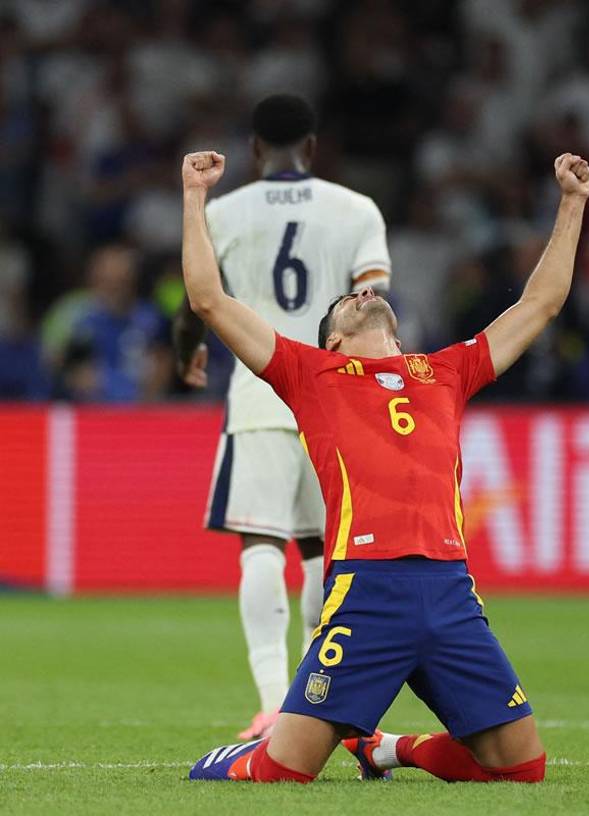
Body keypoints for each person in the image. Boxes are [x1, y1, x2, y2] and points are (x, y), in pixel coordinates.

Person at [182, 148, 589, 783]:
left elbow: (540, 304)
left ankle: (387, 748)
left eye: (365, 290)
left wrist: (571, 203)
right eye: (346, 300)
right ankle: (226, 761)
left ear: (398, 335)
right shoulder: (311, 374)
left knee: (522, 768)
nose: (362, 292)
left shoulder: (448, 371)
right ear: (333, 341)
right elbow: (209, 300)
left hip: (451, 590)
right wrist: (193, 196)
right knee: (283, 772)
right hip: (367, 591)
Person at [172, 94, 392, 740]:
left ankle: (271, 703)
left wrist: (188, 352)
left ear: (254, 150)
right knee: (325, 549)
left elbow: (197, 297)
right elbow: (375, 311)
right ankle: (312, 699)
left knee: (261, 544)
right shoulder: (357, 209)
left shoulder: (225, 211)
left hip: (260, 392)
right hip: (334, 401)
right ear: (314, 147)